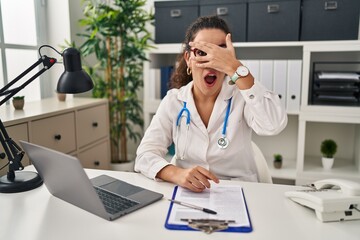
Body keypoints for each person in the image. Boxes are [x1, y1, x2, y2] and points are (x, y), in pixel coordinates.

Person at [135, 16, 287, 192]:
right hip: (188, 193)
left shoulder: (242, 96)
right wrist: (176, 173)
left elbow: (273, 125)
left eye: (220, 53)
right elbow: (145, 155)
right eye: (201, 52)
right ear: (188, 59)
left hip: (240, 191)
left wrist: (235, 69)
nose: (212, 61)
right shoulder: (173, 101)